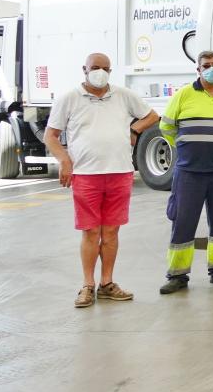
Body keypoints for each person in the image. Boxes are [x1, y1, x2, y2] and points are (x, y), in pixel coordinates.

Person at [44, 52, 159, 308]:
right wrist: (65, 161)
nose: (100, 72)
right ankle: (88, 285)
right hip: (86, 175)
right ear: (84, 69)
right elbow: (51, 136)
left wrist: (133, 129)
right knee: (90, 232)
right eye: (95, 67)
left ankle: (107, 283)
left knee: (111, 232)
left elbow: (151, 116)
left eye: (106, 68)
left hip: (119, 172)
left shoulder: (122, 95)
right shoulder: (69, 98)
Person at [159, 51, 213, 294]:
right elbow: (166, 127)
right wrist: (188, 148)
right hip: (190, 171)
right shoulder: (183, 95)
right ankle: (177, 275)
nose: (211, 69)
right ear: (198, 70)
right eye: (206, 65)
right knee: (183, 222)